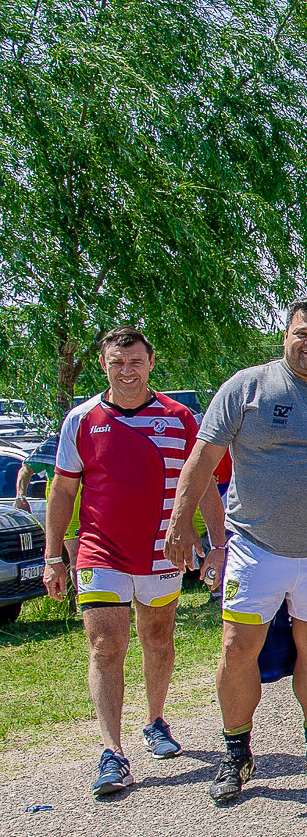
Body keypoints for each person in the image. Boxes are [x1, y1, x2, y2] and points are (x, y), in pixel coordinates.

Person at [167, 298, 307, 804]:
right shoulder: (245, 388)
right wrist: (180, 522)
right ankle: (236, 753)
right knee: (238, 647)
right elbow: (203, 458)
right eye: (303, 333)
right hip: (253, 548)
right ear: (285, 334)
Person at [42, 328, 226, 798]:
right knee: (105, 645)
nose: (127, 371)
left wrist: (217, 546)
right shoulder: (81, 419)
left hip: (163, 550)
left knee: (158, 636)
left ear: (150, 363)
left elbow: (203, 484)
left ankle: (156, 720)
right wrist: (51, 556)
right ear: (104, 363)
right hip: (100, 549)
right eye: (116, 362)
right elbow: (63, 490)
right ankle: (111, 751)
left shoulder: (179, 417)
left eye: (135, 362)